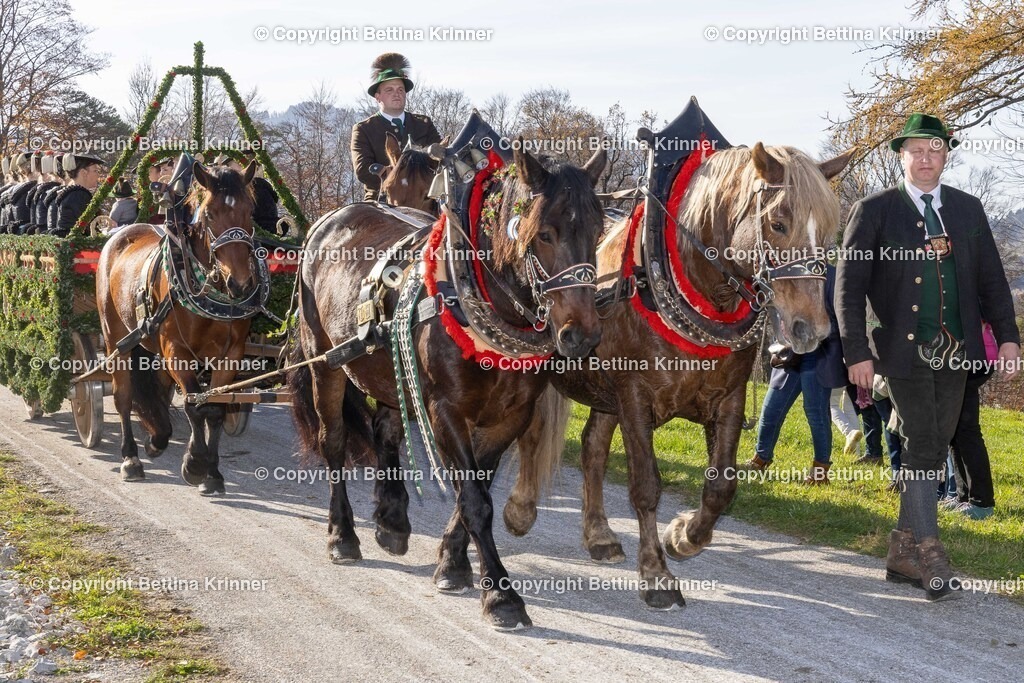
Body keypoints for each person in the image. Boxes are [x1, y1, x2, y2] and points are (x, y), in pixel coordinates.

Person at [836, 113, 1021, 601]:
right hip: (902, 352)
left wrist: (1007, 336)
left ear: (945, 155)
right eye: (915, 150)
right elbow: (847, 289)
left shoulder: (967, 209)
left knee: (935, 445)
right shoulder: (873, 210)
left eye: (934, 149)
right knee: (922, 442)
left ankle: (901, 549)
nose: (925, 158)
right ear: (900, 156)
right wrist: (856, 351)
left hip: (957, 352)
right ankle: (931, 550)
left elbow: (991, 281)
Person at [743, 265, 846, 484]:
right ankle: (760, 460)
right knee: (771, 409)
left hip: (819, 354)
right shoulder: (786, 271)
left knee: (815, 413)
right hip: (789, 354)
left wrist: (815, 333)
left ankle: (820, 472)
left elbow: (841, 318)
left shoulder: (833, 275)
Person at [351, 52, 441, 201]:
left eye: (400, 89)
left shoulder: (423, 124)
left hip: (425, 199)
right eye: (389, 90)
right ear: (377, 96)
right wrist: (398, 179)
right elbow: (363, 170)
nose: (396, 94)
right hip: (380, 201)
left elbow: (439, 158)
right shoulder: (363, 129)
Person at [49, 153, 105, 236]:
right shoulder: (79, 195)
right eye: (95, 171)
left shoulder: (73, 192)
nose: (98, 175)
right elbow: (88, 228)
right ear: (83, 173)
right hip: (77, 245)